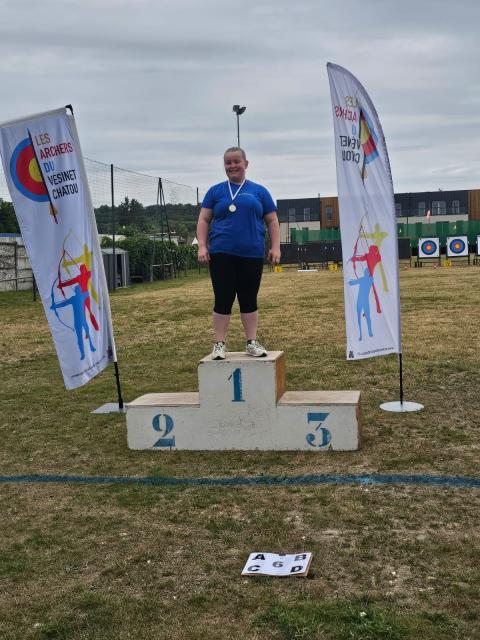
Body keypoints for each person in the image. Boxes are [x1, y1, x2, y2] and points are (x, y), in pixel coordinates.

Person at [197, 147, 280, 360]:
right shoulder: (215, 191)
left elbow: (272, 220)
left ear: (246, 164)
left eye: (236, 161)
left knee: (248, 299)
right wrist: (202, 246)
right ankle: (219, 344)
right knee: (222, 299)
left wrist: (275, 246)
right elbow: (204, 219)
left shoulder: (259, 191)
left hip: (251, 254)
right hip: (221, 254)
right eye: (228, 162)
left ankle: (251, 342)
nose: (232, 166)